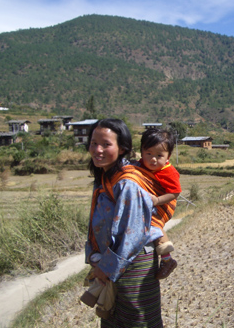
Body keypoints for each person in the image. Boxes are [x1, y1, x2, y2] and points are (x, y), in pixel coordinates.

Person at [83, 118, 163, 327]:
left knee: (137, 321)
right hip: (113, 263)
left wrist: (106, 268)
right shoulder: (104, 176)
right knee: (111, 318)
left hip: (133, 265)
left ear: (122, 149)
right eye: (94, 143)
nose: (97, 150)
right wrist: (93, 256)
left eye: (106, 144)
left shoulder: (128, 183)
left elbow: (132, 234)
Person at [138, 128, 181, 279]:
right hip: (155, 201)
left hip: (165, 202)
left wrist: (157, 200)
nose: (153, 159)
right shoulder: (139, 166)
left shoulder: (168, 171)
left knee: (153, 223)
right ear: (141, 151)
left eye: (159, 155)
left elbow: (175, 192)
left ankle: (167, 259)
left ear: (168, 157)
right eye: (148, 153)